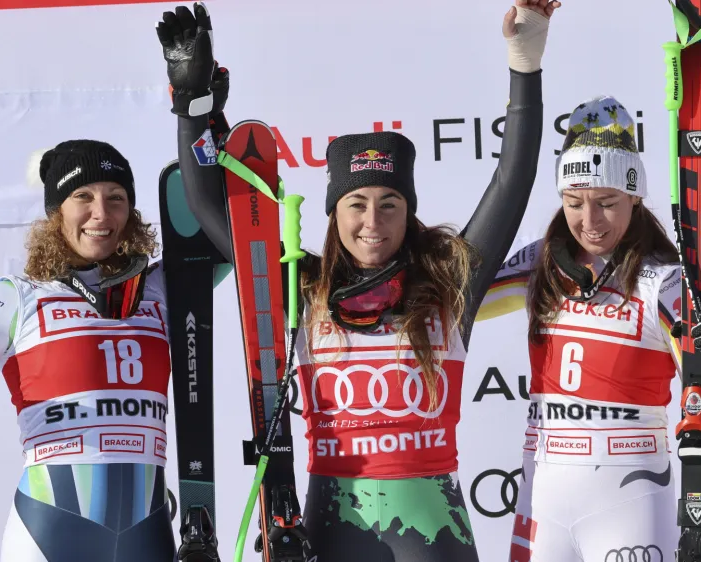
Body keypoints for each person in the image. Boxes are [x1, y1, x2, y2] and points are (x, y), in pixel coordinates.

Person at [156, 1, 561, 559]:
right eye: (357, 204)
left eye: (390, 204)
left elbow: (512, 179)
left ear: (410, 210)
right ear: (334, 214)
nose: (373, 223)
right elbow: (205, 201)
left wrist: (524, 60)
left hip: (435, 538)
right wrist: (192, 109)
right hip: (332, 527)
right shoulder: (302, 290)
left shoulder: (449, 287)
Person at [475, 96, 701, 562]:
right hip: (543, 493)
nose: (589, 221)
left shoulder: (663, 280)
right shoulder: (542, 264)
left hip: (630, 496)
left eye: (607, 203)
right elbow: (455, 307)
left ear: (635, 196)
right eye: (574, 202)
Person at [0, 140, 180, 561]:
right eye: (82, 197)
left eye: (116, 198)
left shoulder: (161, 287)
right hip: (50, 532)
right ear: (56, 213)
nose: (101, 214)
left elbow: (232, 236)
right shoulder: (17, 295)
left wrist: (199, 116)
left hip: (149, 533)